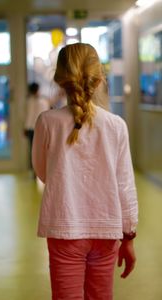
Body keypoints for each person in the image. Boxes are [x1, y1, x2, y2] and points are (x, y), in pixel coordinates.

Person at [32, 43, 138, 300]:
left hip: (65, 228)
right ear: (100, 77)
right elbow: (125, 185)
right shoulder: (116, 126)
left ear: (59, 80)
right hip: (107, 230)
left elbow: (44, 172)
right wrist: (129, 236)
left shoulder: (47, 122)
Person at [24, 82, 50, 175]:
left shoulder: (31, 100)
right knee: (43, 150)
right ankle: (40, 170)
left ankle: (34, 171)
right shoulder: (43, 100)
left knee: (33, 150)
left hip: (31, 128)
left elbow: (29, 115)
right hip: (41, 128)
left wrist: (26, 127)